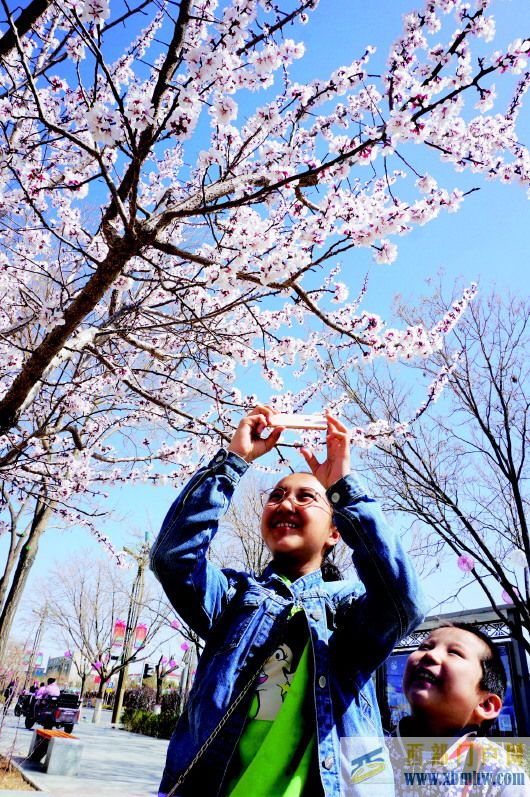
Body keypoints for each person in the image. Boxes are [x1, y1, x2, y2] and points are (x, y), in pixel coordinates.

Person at [150, 405, 425, 796]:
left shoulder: (349, 611)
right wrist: (233, 462)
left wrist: (342, 486)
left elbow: (404, 600)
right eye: (276, 496)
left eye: (306, 497)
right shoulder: (233, 598)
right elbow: (173, 558)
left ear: (334, 531)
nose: (286, 504)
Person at [391, 623, 530, 796]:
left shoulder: (499, 774)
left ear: (485, 705)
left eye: (454, 652)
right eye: (425, 646)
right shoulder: (372, 752)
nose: (430, 654)